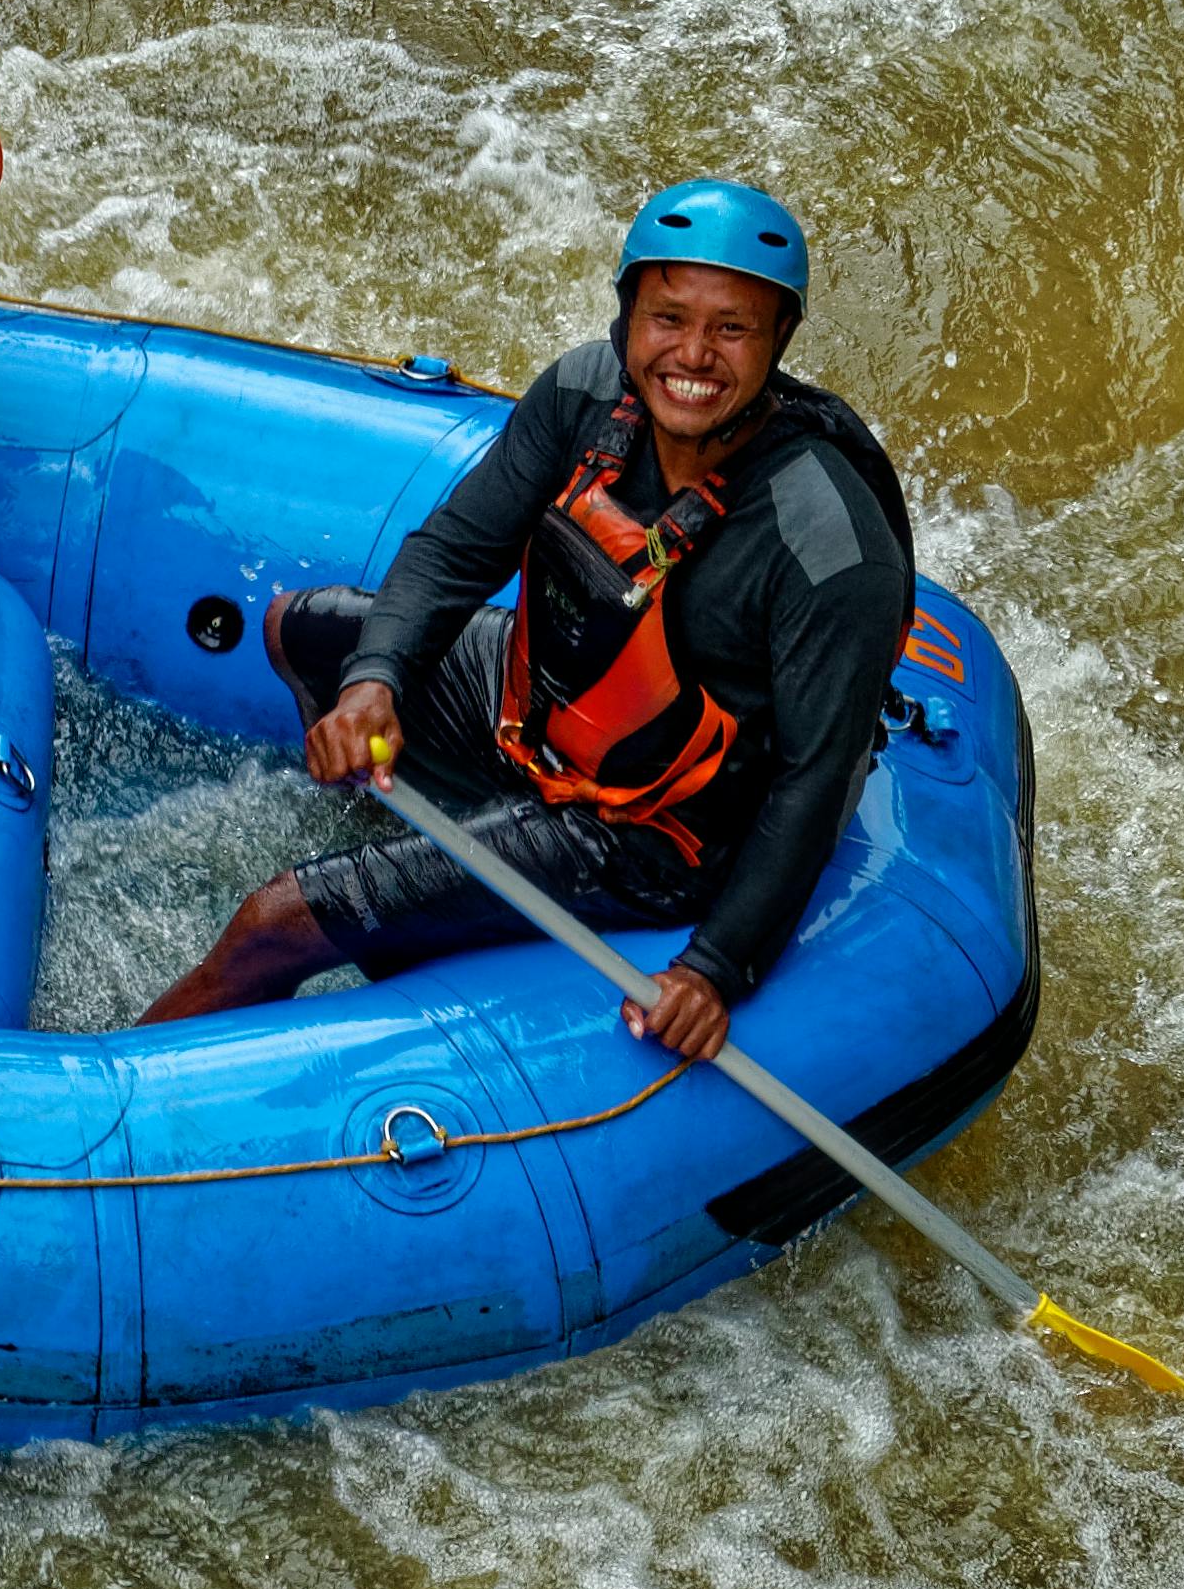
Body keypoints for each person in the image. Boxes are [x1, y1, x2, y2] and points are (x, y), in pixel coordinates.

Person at [141, 182, 914, 1058]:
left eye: (732, 328)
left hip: (652, 830)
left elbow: (815, 780)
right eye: (668, 318)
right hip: (538, 711)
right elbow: (456, 548)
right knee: (301, 631)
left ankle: (105, 1115)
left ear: (779, 340)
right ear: (629, 315)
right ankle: (396, 857)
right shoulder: (586, 394)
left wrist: (717, 966)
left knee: (272, 919)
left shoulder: (825, 543)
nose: (693, 354)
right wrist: (371, 685)